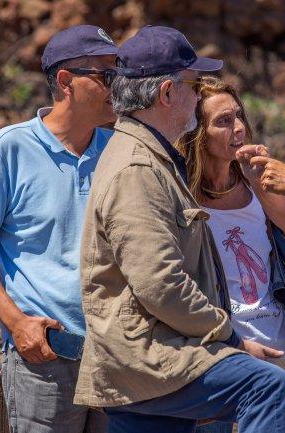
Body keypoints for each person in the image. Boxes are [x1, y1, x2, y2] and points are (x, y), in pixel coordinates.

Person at [73, 25, 285, 433]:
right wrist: (231, 339)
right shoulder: (138, 167)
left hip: (149, 361)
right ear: (167, 94)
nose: (196, 94)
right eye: (191, 85)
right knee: (268, 387)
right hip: (151, 360)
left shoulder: (151, 159)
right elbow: (161, 283)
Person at [0, 24, 118, 433]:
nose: (120, 87)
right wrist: (17, 324)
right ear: (66, 81)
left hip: (116, 356)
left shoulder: (119, 151)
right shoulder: (11, 147)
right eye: (107, 75)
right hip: (45, 358)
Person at [176, 76, 285, 433]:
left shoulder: (259, 184)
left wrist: (262, 185)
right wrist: (232, 344)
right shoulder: (180, 198)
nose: (238, 128)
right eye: (223, 121)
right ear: (197, 133)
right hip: (225, 360)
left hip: (279, 351)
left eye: (238, 116)